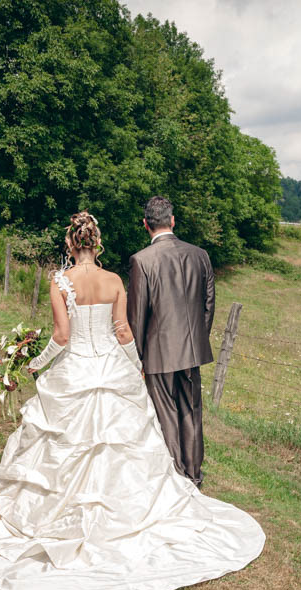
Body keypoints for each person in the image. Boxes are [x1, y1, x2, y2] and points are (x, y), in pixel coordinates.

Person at [0, 212, 264, 590]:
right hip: (111, 366)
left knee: (60, 445)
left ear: (70, 244)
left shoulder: (60, 281)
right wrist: (135, 364)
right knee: (124, 442)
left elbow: (62, 335)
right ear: (97, 245)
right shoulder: (114, 280)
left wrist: (37, 363)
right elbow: (124, 331)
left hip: (76, 369)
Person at [127, 196, 214, 487]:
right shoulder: (200, 255)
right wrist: (197, 341)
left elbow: (137, 316)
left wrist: (136, 358)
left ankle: (175, 475)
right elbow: (208, 304)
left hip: (158, 353)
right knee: (192, 411)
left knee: (166, 412)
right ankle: (194, 474)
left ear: (145, 225)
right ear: (172, 221)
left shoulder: (142, 261)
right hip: (191, 350)